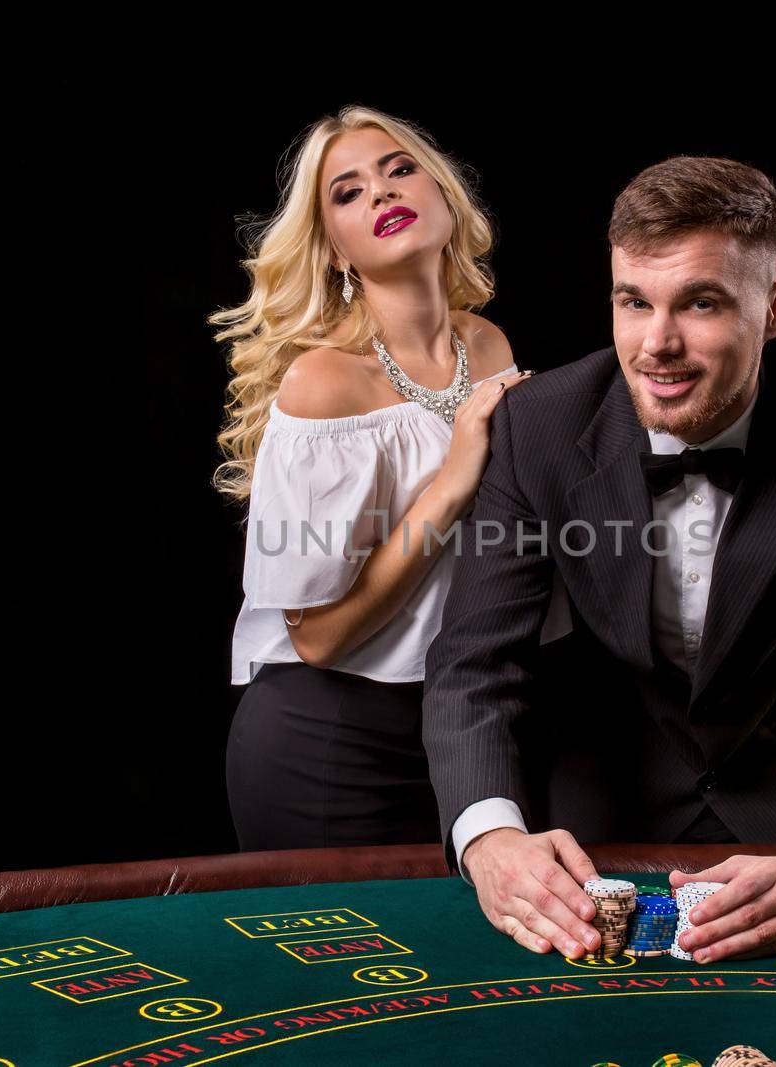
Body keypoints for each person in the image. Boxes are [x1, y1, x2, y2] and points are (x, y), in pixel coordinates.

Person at [422, 156, 776, 964]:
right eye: (633, 301)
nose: (657, 344)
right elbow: (473, 663)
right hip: (600, 828)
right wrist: (493, 840)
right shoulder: (539, 425)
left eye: (701, 303)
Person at [210, 106, 570, 851]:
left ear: (444, 196)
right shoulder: (324, 383)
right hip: (330, 741)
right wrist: (453, 479)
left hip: (469, 729)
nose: (380, 192)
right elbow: (320, 639)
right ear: (335, 251)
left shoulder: (488, 341)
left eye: (399, 169)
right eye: (347, 192)